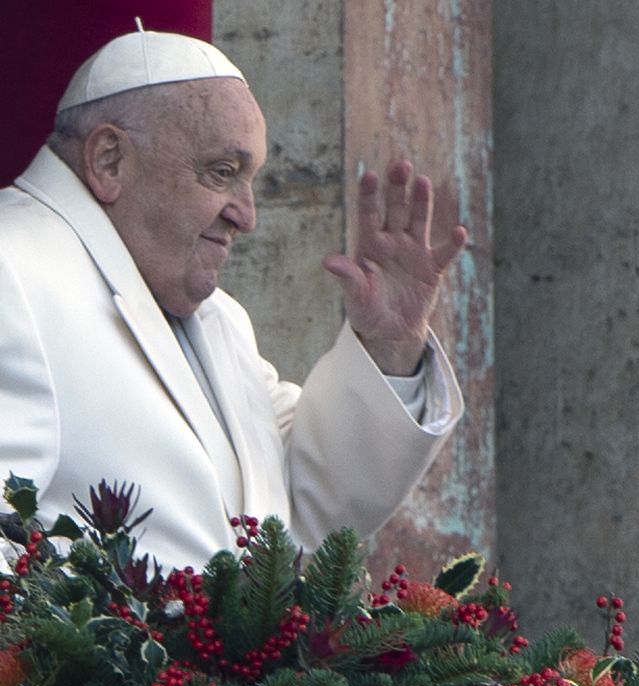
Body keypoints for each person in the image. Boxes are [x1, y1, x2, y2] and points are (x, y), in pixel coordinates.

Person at [0, 29, 467, 567]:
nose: (247, 215)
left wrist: (389, 346)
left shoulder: (221, 319)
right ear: (109, 160)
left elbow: (297, 504)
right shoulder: (14, 268)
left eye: (252, 180)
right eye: (222, 173)